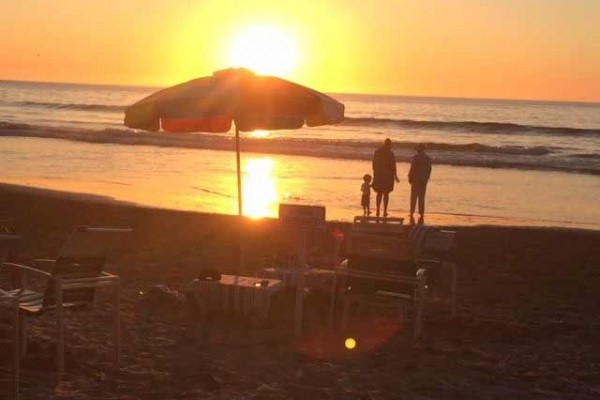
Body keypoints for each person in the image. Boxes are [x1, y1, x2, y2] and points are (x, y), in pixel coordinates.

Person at [372, 138, 399, 217]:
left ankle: (377, 210)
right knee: (386, 194)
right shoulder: (391, 154)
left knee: (379, 193)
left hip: (379, 175)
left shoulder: (377, 152)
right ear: (389, 145)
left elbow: (374, 165)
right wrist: (395, 176)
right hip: (388, 176)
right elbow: (393, 166)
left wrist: (375, 174)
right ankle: (385, 211)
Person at [408, 143, 432, 218]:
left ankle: (412, 212)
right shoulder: (428, 158)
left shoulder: (416, 157)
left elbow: (412, 168)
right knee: (422, 196)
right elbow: (429, 169)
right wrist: (427, 178)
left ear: (419, 149)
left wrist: (410, 176)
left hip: (416, 179)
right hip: (424, 179)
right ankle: (421, 213)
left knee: (414, 196)